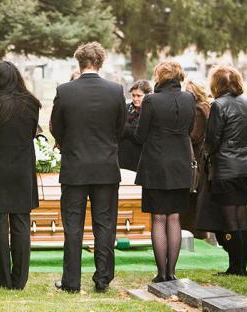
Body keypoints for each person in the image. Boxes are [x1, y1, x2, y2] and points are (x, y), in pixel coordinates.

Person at [50, 42, 126, 293]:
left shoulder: (65, 90)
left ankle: (71, 281)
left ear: (79, 63)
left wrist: (67, 143)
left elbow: (55, 126)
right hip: (105, 165)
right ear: (100, 63)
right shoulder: (115, 91)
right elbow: (120, 128)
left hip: (75, 166)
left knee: (73, 226)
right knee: (104, 224)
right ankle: (103, 277)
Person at [0, 61, 41, 290]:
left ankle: (1, 277)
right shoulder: (31, 103)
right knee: (21, 223)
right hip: (22, 168)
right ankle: (19, 279)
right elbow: (33, 132)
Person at [134, 60, 196, 282]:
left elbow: (140, 136)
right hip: (180, 164)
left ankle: (162, 273)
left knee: (159, 218)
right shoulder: (189, 98)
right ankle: (172, 272)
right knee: (175, 218)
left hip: (156, 165)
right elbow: (189, 129)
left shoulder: (151, 100)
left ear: (160, 76)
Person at [194, 66, 247, 276]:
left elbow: (212, 140)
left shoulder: (219, 105)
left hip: (225, 168)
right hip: (244, 166)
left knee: (229, 220)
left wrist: (208, 157)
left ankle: (235, 267)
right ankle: (241, 266)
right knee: (241, 218)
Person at [183, 81, 212, 241]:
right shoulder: (202, 107)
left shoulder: (199, 110)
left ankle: (194, 232)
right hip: (197, 156)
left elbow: (195, 136)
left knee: (192, 197)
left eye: (189, 91)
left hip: (194, 157)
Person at [119, 80, 151, 172]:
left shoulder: (150, 110)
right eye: (133, 95)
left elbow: (142, 135)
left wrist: (125, 128)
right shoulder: (125, 108)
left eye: (139, 96)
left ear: (147, 95)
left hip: (140, 157)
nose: (135, 98)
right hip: (123, 156)